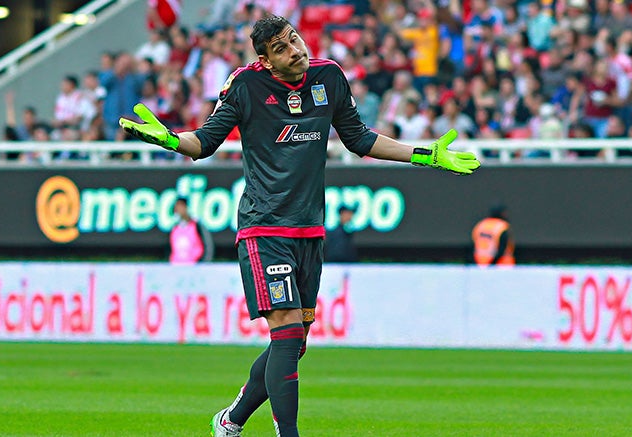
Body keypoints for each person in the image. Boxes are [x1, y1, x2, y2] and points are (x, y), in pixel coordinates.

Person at [118, 15, 479, 437]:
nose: (297, 50)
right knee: (287, 336)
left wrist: (425, 154)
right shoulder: (245, 86)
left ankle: (231, 419)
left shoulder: (330, 76)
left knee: (293, 344)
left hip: (310, 229)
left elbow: (359, 138)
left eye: (295, 40)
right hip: (264, 228)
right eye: (284, 48)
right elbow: (205, 143)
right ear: (266, 61)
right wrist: (170, 139)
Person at [169, 197, 213, 264]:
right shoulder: (174, 228)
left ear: (186, 207)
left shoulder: (197, 226)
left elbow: (208, 246)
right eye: (176, 207)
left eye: (180, 206)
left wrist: (203, 264)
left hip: (194, 268)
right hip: (176, 267)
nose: (178, 209)